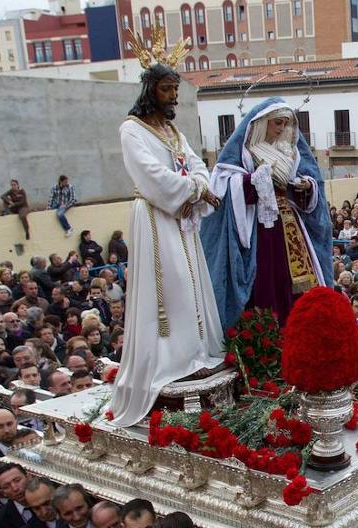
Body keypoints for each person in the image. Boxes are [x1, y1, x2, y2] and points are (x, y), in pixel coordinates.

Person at [109, 60, 225, 427]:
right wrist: (195, 188)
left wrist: (200, 183)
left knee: (192, 284)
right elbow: (152, 175)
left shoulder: (172, 130)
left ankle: (195, 354)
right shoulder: (132, 130)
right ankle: (171, 361)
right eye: (166, 89)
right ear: (149, 90)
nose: (173, 96)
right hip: (157, 216)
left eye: (176, 89)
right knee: (171, 284)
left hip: (182, 218)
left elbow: (197, 164)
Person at [202, 97, 333, 327]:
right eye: (277, 123)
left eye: (285, 123)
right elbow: (223, 184)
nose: (282, 128)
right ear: (263, 123)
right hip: (259, 228)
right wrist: (254, 181)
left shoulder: (290, 150)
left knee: (297, 281)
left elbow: (310, 182)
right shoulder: (246, 152)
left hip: (290, 224)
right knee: (266, 278)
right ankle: (266, 334)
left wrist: (306, 186)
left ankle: (300, 328)